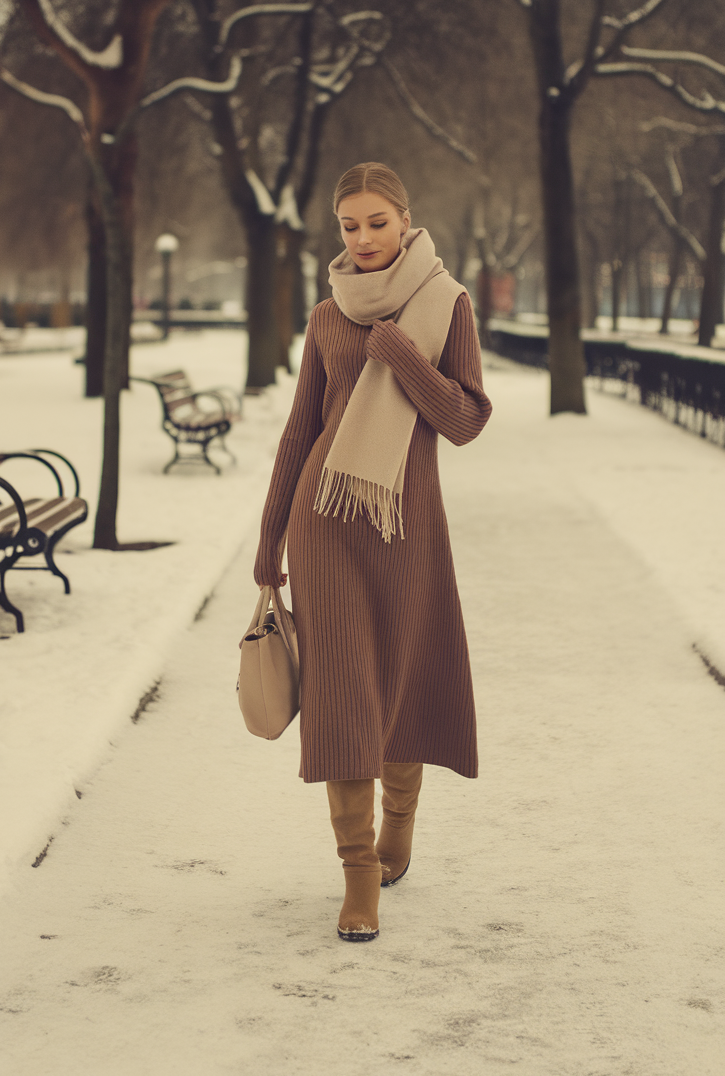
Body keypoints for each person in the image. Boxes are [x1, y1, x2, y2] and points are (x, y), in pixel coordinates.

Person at [254, 162, 492, 942]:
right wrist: (269, 542)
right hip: (325, 525)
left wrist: (405, 360)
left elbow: (464, 420)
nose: (361, 240)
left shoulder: (447, 305)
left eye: (375, 223)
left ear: (405, 218)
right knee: (346, 692)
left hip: (407, 521)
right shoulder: (327, 317)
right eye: (348, 226)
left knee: (405, 682)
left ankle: (400, 828)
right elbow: (299, 432)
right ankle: (358, 874)